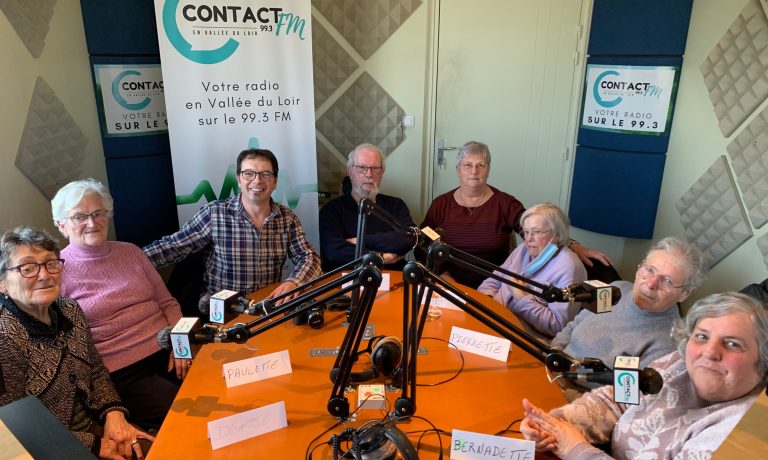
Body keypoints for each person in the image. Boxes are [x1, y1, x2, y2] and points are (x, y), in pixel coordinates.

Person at [521, 292, 768, 460]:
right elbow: (616, 400)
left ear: (763, 361)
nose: (710, 352)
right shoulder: (678, 363)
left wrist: (574, 449)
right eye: (702, 336)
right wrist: (555, 426)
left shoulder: (742, 431)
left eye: (732, 344)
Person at [0, 226, 154, 460]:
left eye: (50, 263)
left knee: (162, 458)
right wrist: (94, 444)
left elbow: (96, 370)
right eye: (27, 268)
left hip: (97, 425)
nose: (44, 275)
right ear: (2, 283)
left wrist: (114, 415)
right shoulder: (5, 337)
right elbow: (18, 429)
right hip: (52, 452)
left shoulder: (69, 309)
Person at [52, 179, 185, 431]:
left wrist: (182, 345)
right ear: (61, 224)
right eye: (79, 216)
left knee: (221, 386)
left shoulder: (131, 252)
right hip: (124, 372)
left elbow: (168, 304)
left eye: (98, 213)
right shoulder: (56, 272)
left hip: (171, 350)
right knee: (187, 411)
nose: (92, 223)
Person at [143, 148, 322, 307]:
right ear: (238, 180)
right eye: (249, 174)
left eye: (265, 174)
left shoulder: (287, 218)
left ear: (275, 182)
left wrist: (294, 282)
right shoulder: (215, 213)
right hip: (222, 311)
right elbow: (172, 247)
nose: (257, 181)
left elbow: (309, 257)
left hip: (264, 308)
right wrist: (131, 261)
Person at [421, 141, 613, 288]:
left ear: (488, 169)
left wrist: (573, 246)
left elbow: (539, 232)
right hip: (447, 284)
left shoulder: (505, 204)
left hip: (495, 285)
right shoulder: (441, 205)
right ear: (458, 170)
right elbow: (422, 243)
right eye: (467, 165)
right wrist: (442, 275)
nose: (474, 171)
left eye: (481, 165)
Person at [550, 236, 706, 399]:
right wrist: (551, 354)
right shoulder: (617, 289)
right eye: (649, 270)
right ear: (640, 267)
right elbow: (572, 326)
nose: (651, 284)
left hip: (579, 397)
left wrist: (565, 391)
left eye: (667, 281)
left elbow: (623, 399)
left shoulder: (668, 343)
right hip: (553, 366)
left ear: (685, 293)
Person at [477, 204, 587, 338]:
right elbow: (492, 281)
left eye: (536, 232)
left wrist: (521, 298)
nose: (528, 239)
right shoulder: (522, 250)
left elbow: (558, 327)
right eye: (526, 232)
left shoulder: (568, 267)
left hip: (524, 336)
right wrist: (488, 302)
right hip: (494, 320)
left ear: (556, 235)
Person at [319, 143, 415, 271]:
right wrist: (381, 257)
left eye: (375, 168)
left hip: (393, 276)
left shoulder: (396, 205)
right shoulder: (331, 210)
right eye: (362, 168)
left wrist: (360, 240)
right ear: (350, 171)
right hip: (348, 278)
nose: (369, 174)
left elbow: (409, 238)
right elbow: (335, 252)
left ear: (382, 172)